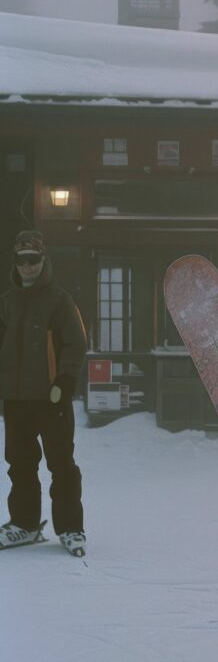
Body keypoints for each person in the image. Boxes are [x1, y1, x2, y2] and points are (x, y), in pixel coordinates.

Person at [0, 231, 87, 556]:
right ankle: (25, 524)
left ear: (43, 260)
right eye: (22, 260)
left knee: (61, 464)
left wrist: (63, 381)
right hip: (16, 400)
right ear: (15, 263)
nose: (28, 266)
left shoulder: (59, 300)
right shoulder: (6, 302)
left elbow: (76, 343)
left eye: (33, 259)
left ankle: (71, 528)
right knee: (20, 464)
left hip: (52, 398)